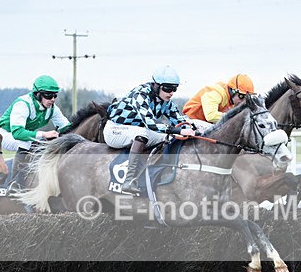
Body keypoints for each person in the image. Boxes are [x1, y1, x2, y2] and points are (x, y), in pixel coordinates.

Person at [104, 66, 196, 195]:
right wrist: (179, 131)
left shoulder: (166, 101)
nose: (171, 93)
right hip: (115, 130)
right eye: (167, 88)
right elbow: (150, 124)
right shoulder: (140, 94)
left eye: (174, 89)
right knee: (143, 134)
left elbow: (178, 120)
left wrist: (191, 130)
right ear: (156, 85)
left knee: (168, 138)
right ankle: (129, 181)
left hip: (136, 130)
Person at [0, 75, 70, 187]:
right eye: (48, 95)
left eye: (55, 95)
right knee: (26, 142)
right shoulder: (23, 104)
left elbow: (67, 127)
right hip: (5, 135)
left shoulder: (52, 108)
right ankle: (15, 183)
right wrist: (44, 134)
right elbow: (18, 133)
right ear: (38, 94)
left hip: (24, 136)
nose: (52, 99)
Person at [182, 74, 255, 132]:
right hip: (190, 121)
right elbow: (211, 116)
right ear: (232, 91)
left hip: (204, 123)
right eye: (242, 96)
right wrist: (235, 116)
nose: (243, 101)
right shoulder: (215, 93)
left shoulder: (231, 102)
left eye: (247, 98)